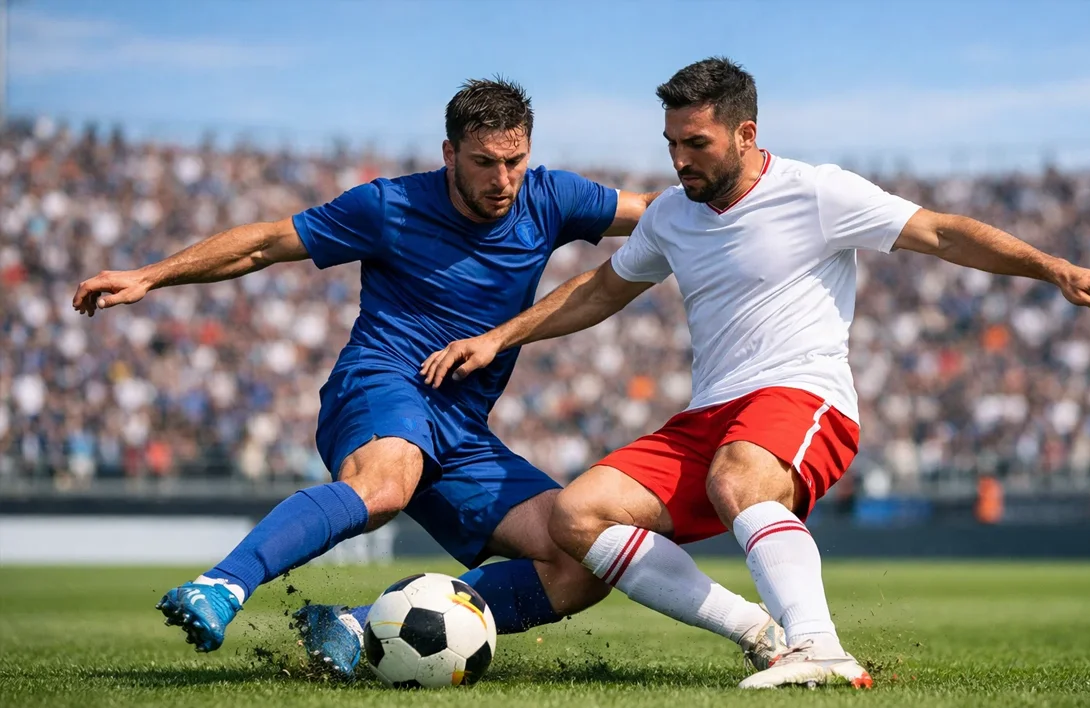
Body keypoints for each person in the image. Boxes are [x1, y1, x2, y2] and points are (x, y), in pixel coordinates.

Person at [418, 57, 1090, 689]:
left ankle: (819, 647)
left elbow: (941, 232)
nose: (679, 161)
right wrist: (499, 338)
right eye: (671, 144)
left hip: (803, 396)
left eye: (695, 144)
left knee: (739, 477)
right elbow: (602, 289)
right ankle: (760, 634)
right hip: (710, 415)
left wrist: (1053, 268)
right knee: (579, 514)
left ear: (745, 134)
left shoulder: (817, 192)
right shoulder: (672, 215)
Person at [69, 78, 709, 675]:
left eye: (514, 161)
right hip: (384, 381)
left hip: (461, 429)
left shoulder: (550, 196)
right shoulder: (389, 205)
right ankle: (220, 585)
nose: (502, 180)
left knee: (581, 561)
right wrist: (149, 275)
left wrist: (744, 189)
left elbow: (656, 210)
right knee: (384, 487)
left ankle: (354, 626)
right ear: (449, 154)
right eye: (484, 162)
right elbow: (266, 243)